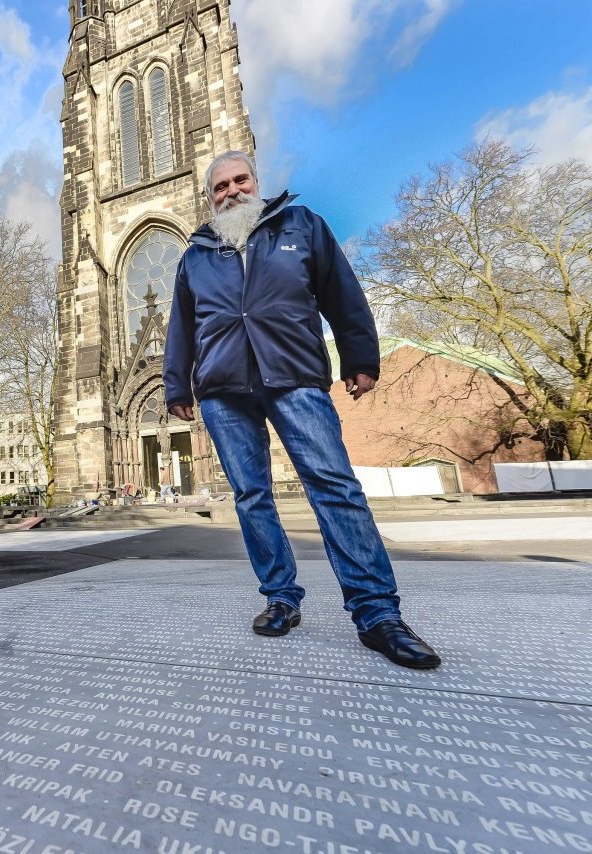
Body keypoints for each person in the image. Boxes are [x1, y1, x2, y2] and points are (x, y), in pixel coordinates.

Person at [162, 150, 441, 669]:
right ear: (210, 196)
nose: (231, 192)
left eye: (239, 180)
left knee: (334, 486)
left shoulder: (301, 224)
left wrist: (359, 355)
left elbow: (342, 292)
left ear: (256, 181)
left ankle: (377, 613)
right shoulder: (197, 253)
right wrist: (176, 385)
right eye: (219, 186)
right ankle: (281, 598)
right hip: (224, 388)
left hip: (293, 376)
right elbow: (181, 326)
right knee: (251, 496)